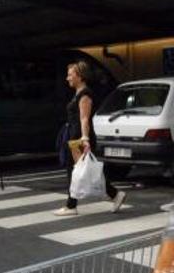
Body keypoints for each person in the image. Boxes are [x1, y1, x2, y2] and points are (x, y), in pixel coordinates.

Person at [53, 61, 126, 216]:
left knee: (78, 171)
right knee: (83, 171)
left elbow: (84, 118)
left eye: (70, 75)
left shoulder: (85, 94)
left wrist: (85, 138)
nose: (67, 78)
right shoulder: (79, 92)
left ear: (80, 76)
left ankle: (71, 206)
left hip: (80, 137)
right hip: (75, 135)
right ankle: (115, 194)